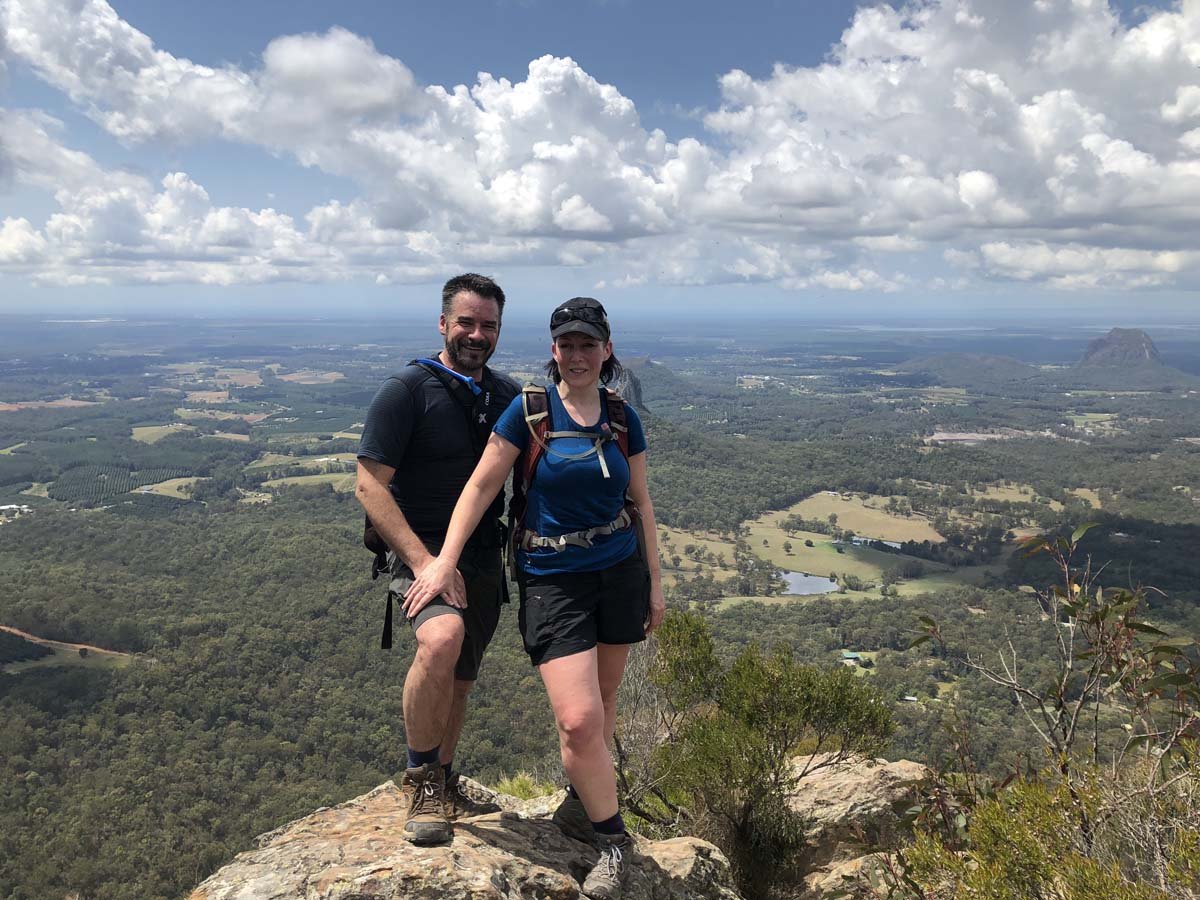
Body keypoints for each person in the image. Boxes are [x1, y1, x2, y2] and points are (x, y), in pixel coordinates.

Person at [407, 296, 665, 899]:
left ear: (606, 350)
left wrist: (655, 582)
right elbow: (479, 487)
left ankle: (580, 807)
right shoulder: (529, 414)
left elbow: (643, 502)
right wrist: (443, 562)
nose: (577, 354)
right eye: (566, 344)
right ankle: (613, 842)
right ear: (554, 350)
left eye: (588, 344)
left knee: (601, 704)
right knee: (578, 721)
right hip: (551, 578)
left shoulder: (624, 418)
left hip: (619, 570)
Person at [355, 273, 519, 846]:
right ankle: (421, 779)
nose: (477, 334)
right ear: (443, 323)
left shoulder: (504, 396)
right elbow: (369, 487)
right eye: (466, 322)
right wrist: (426, 562)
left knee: (464, 676)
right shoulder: (406, 391)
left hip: (480, 557)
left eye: (488, 325)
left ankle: (445, 779)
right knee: (441, 640)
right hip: (417, 550)